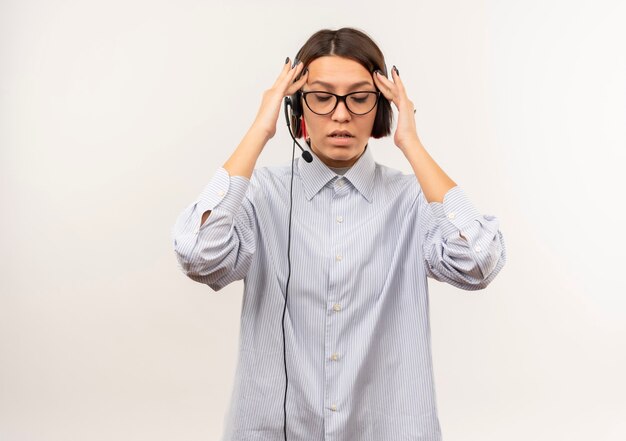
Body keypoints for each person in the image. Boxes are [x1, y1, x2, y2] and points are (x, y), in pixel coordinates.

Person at [172, 27, 506, 441]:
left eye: (360, 98)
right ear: (297, 108)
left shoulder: (414, 199)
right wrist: (261, 127)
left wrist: (412, 144)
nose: (341, 114)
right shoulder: (260, 195)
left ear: (381, 108)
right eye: (321, 97)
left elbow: (479, 263)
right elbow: (197, 254)